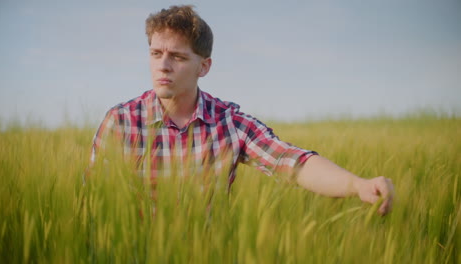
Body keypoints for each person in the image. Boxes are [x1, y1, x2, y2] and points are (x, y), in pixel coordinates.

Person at [90, 5, 394, 215]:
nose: (163, 65)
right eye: (156, 54)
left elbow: (291, 162)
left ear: (203, 67)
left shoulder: (229, 123)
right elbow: (93, 203)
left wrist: (357, 185)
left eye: (178, 57)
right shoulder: (121, 122)